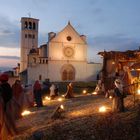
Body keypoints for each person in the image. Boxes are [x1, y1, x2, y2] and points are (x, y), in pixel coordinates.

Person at [0, 73, 17, 139]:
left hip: (4, 106)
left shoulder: (2, 87)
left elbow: (3, 97)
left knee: (3, 121)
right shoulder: (8, 86)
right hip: (8, 106)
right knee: (9, 120)